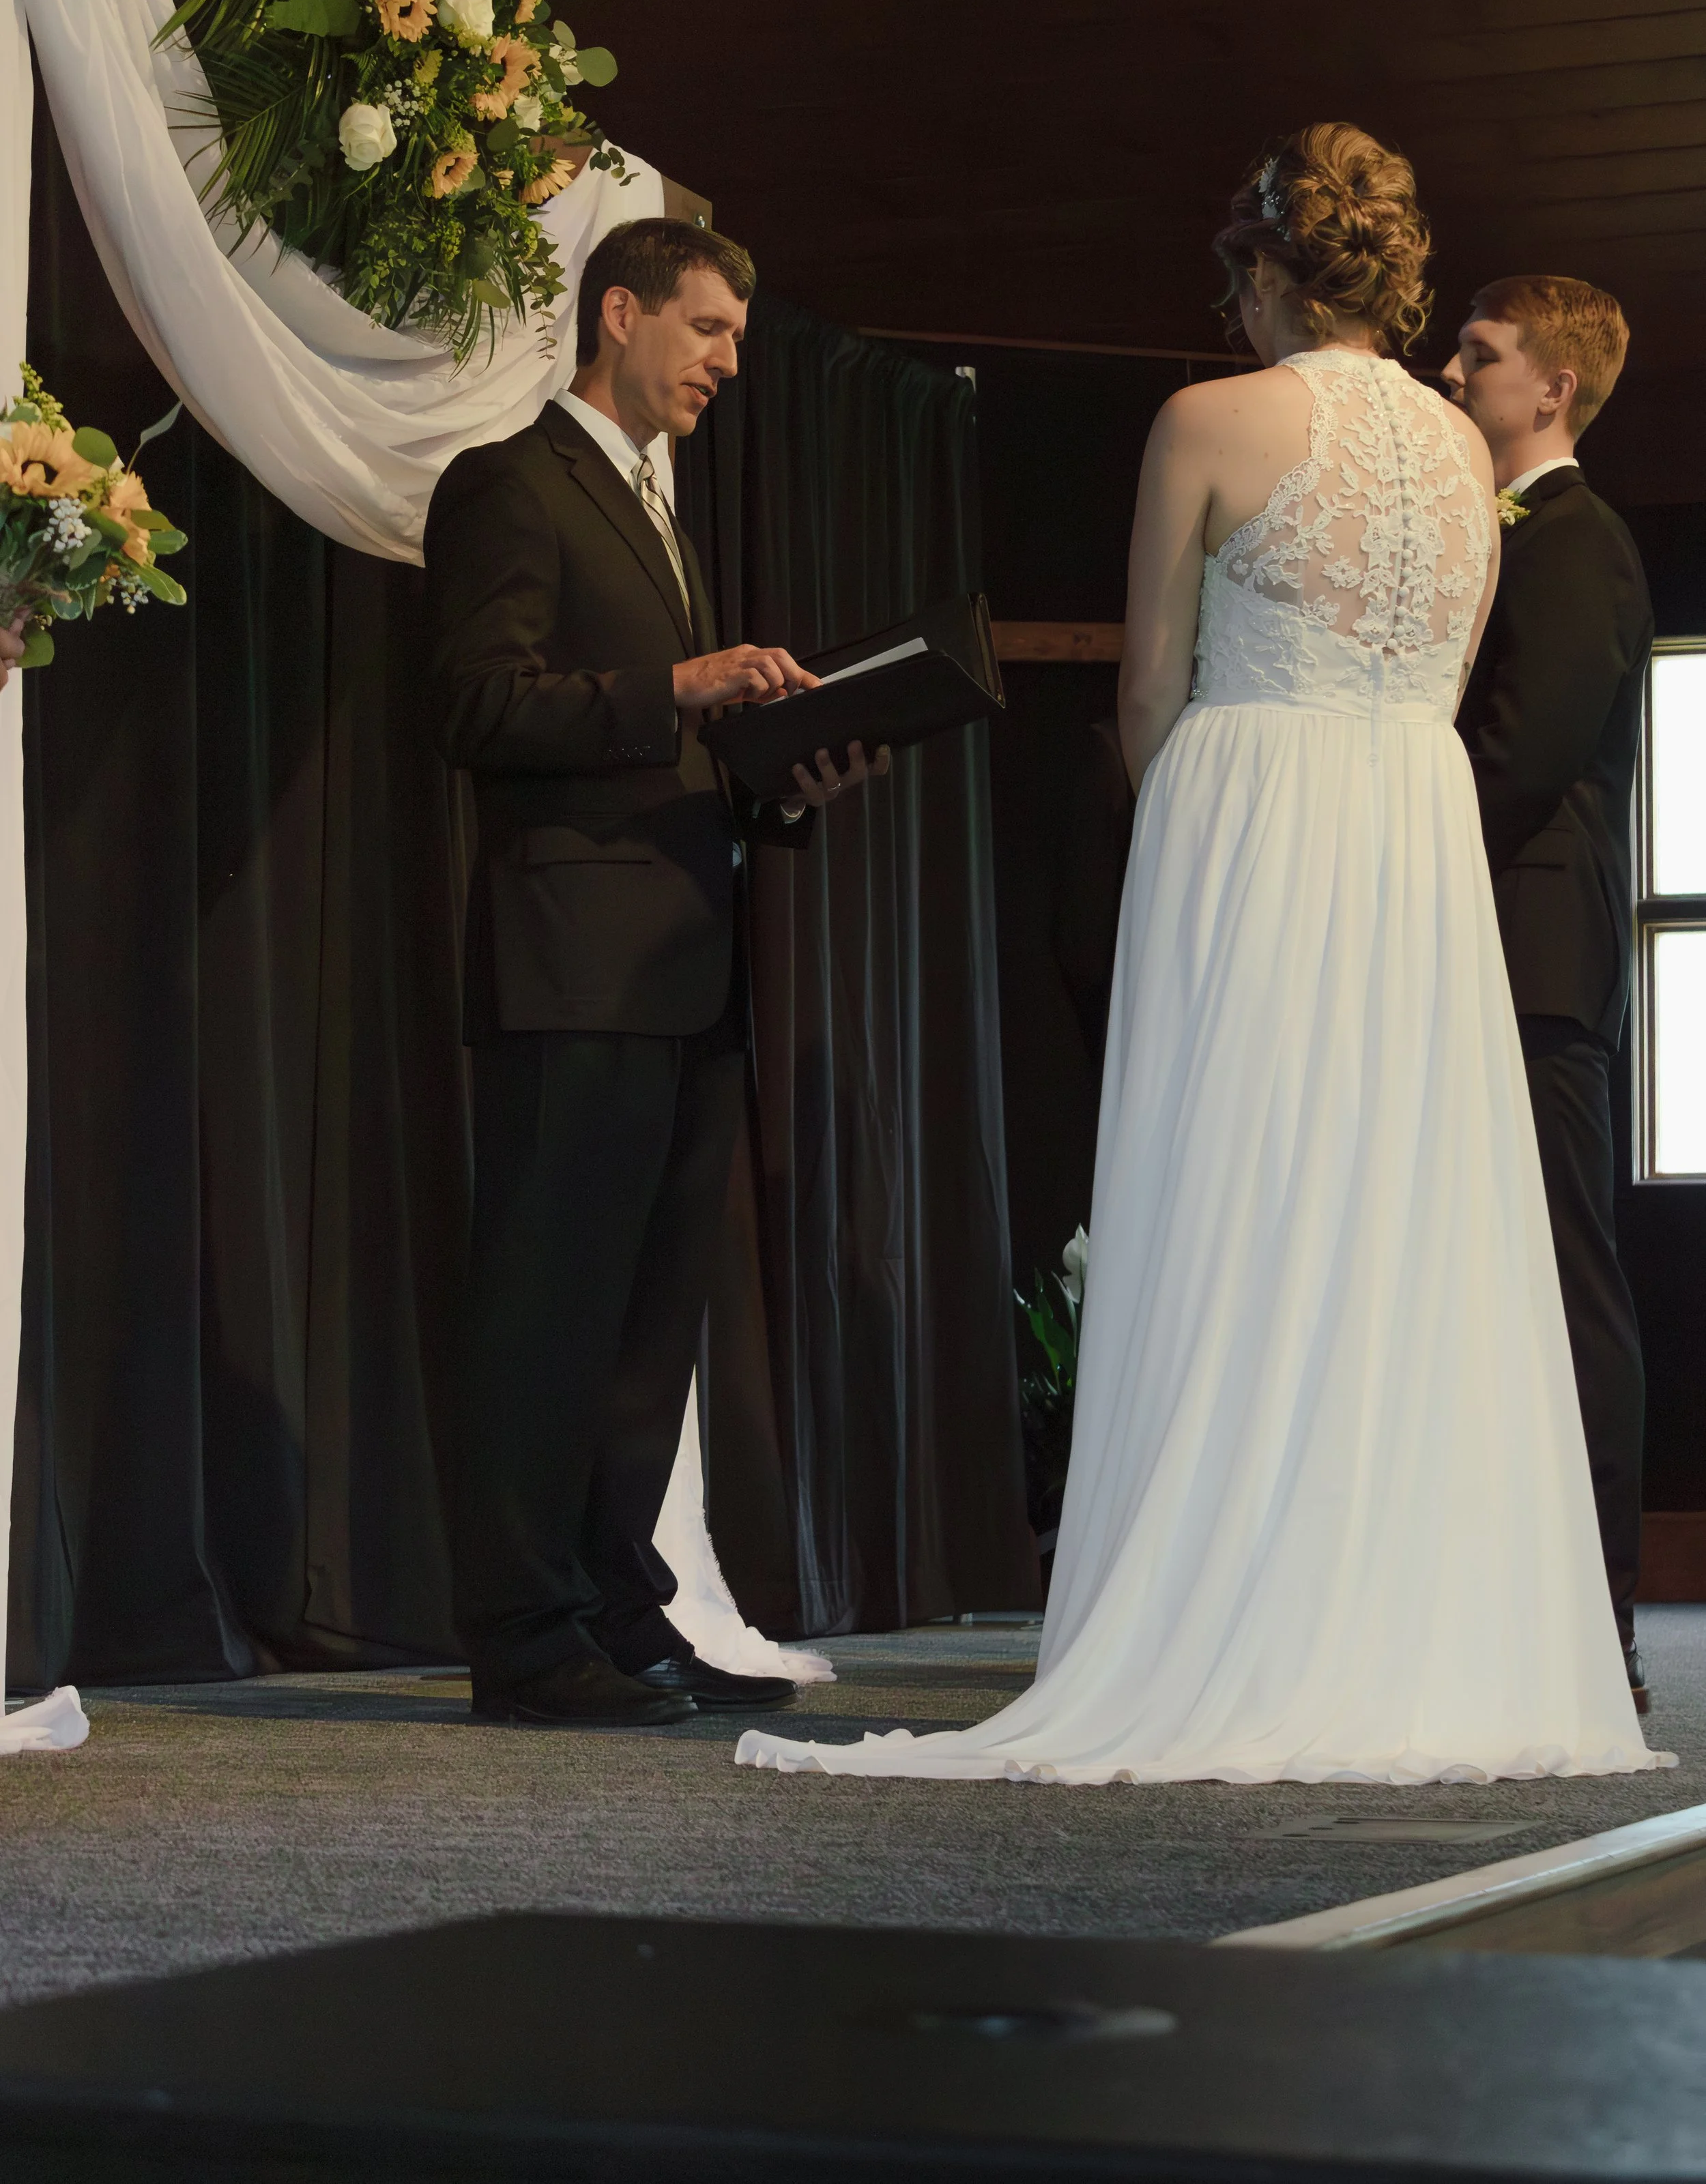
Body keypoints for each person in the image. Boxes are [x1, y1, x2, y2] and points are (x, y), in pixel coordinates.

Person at [739, 124, 1669, 1786]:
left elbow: (1149, 684)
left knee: (1241, 1188)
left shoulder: (1206, 421)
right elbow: (1448, 677)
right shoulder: (1462, 451)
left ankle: (1225, 1609)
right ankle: (1404, 1624)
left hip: (1254, 819)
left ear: (1263, 270)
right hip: (1409, 839)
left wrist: (1180, 852)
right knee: (1397, 1220)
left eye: (1234, 282)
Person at [424, 216, 886, 1730]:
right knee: (549, 1315)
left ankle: (619, 1611)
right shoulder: (510, 482)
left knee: (642, 1330)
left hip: (679, 969)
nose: (727, 363)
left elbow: (665, 751)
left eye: (738, 337)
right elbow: (479, 706)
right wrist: (676, 684)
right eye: (707, 329)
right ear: (618, 313)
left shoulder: (654, 506)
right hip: (571, 970)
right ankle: (522, 1637)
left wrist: (783, 783)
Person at [1444, 280, 1653, 1711]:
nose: (1450, 372)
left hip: (1530, 957)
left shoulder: (1575, 540)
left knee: (1569, 1283)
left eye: (1479, 354)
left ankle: (1602, 1624)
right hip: (1485, 951)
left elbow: (1521, 759)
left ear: (1552, 390)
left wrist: (1386, 851)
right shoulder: (1498, 530)